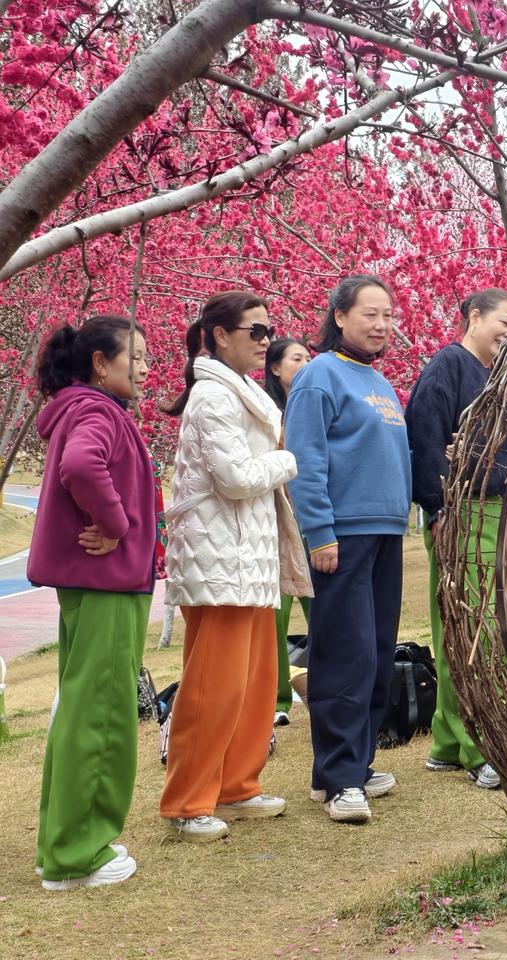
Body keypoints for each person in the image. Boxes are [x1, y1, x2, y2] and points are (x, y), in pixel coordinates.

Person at [160, 291, 308, 842]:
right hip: (219, 554)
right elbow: (236, 478)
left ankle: (237, 785)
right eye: (256, 330)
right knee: (212, 685)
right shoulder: (212, 397)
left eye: (270, 330)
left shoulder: (244, 391)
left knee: (255, 679)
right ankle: (187, 800)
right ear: (220, 335)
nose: (267, 340)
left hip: (249, 553)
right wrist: (291, 458)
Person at [28, 316, 153, 890]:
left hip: (92, 585)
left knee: (79, 709)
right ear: (101, 363)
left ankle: (62, 841)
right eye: (137, 356)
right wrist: (118, 521)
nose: (147, 368)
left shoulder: (81, 407)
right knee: (100, 713)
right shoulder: (97, 410)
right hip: (106, 583)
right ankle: (78, 855)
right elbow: (81, 464)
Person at [286, 275, 411, 823]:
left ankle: (350, 767)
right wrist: (320, 532)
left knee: (379, 651)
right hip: (343, 535)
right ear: (339, 316)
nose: (382, 324)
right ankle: (340, 779)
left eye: (388, 315)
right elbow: (305, 459)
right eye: (370, 314)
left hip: (384, 532)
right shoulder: (318, 376)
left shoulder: (378, 382)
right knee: (345, 653)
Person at [406, 288, 507, 790]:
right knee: (471, 629)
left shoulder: (495, 377)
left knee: (471, 622)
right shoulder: (448, 367)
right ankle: (479, 745)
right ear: (473, 317)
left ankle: (449, 743)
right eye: (505, 322)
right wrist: (438, 509)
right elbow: (424, 439)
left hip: (492, 510)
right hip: (462, 512)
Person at [264, 337, 312, 726]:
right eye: (297, 359)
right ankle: (278, 699)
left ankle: (325, 689)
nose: (305, 364)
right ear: (275, 367)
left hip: (313, 523)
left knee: (324, 612)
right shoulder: (266, 412)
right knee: (275, 619)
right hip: (278, 526)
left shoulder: (313, 404)